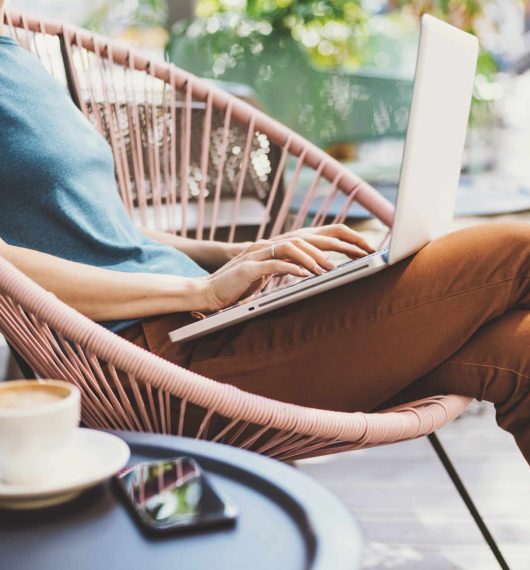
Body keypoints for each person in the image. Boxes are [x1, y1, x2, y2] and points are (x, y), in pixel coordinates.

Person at [1, 2, 530, 465]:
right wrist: (198, 291)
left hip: (208, 325)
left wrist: (236, 254)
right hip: (155, 370)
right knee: (514, 251)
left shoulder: (16, 55)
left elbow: (106, 230)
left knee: (520, 352)